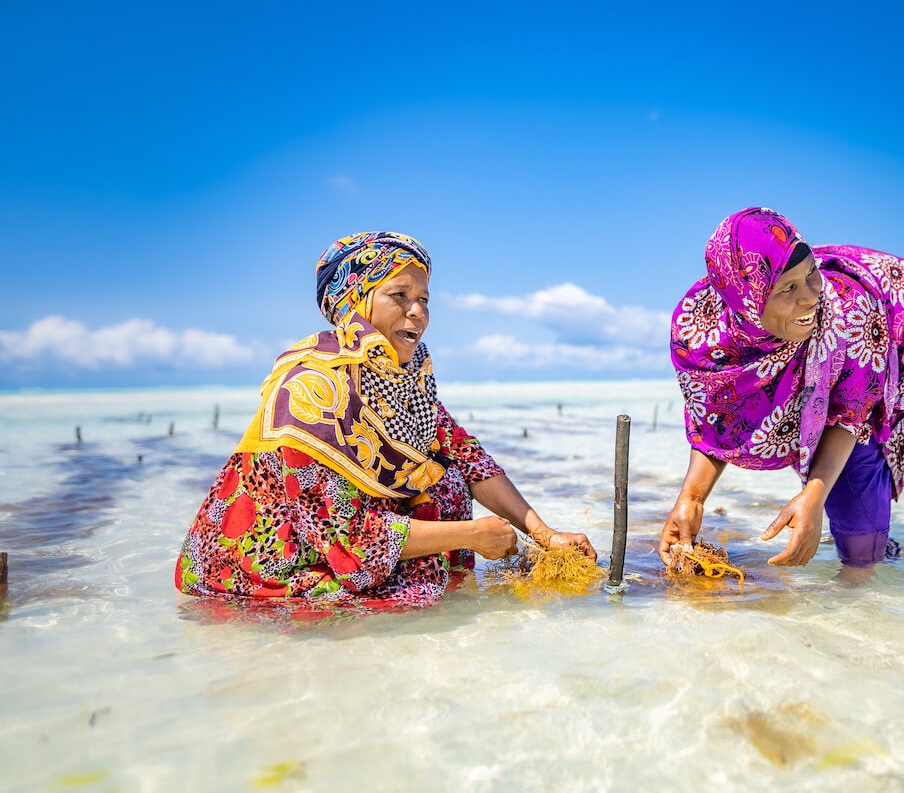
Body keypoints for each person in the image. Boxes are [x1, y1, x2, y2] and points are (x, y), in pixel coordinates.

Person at [176, 231, 595, 607]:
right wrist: (473, 535)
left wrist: (544, 534)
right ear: (356, 300)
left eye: (424, 299)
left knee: (445, 477)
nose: (418, 313)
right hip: (272, 567)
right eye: (399, 295)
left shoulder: (402, 378)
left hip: (357, 542)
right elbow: (351, 538)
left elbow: (467, 456)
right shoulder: (308, 390)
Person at [658, 207, 904, 575]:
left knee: (861, 552)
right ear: (745, 301)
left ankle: (868, 573)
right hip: (806, 344)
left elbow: (850, 417)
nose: (812, 296)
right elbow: (718, 420)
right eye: (788, 288)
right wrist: (692, 499)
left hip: (892, 325)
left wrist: (813, 496)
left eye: (811, 273)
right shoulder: (699, 333)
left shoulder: (846, 309)